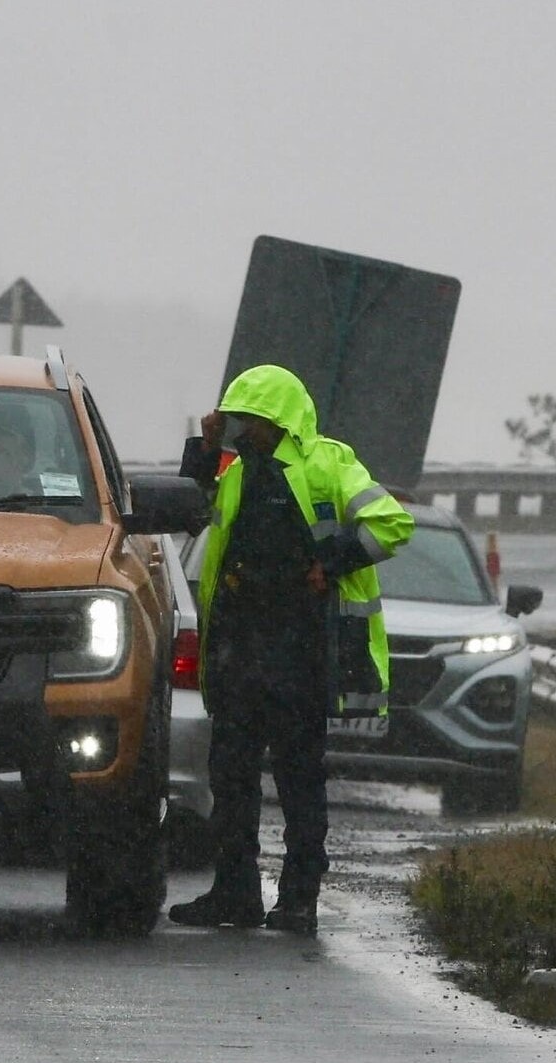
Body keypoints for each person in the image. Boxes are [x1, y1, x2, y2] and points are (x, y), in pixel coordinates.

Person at [165, 364, 413, 935]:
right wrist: (200, 449)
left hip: (300, 652)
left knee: (300, 781)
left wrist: (331, 562)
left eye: (247, 420)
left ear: (274, 419)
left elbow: (391, 523)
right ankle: (236, 895)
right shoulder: (235, 469)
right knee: (231, 780)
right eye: (235, 422)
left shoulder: (328, 462)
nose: (238, 430)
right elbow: (188, 514)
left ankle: (299, 901)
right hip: (238, 650)